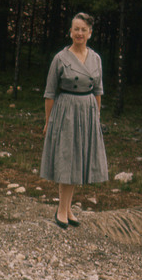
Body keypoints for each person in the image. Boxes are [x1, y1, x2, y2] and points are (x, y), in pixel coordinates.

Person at [40, 12, 108, 228]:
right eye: (75, 29)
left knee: (78, 159)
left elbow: (98, 90)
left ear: (90, 33)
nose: (79, 33)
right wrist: (48, 121)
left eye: (83, 29)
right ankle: (61, 210)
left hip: (86, 111)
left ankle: (68, 209)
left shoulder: (95, 59)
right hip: (66, 111)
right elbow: (50, 93)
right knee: (67, 159)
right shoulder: (60, 58)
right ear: (70, 32)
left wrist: (96, 118)